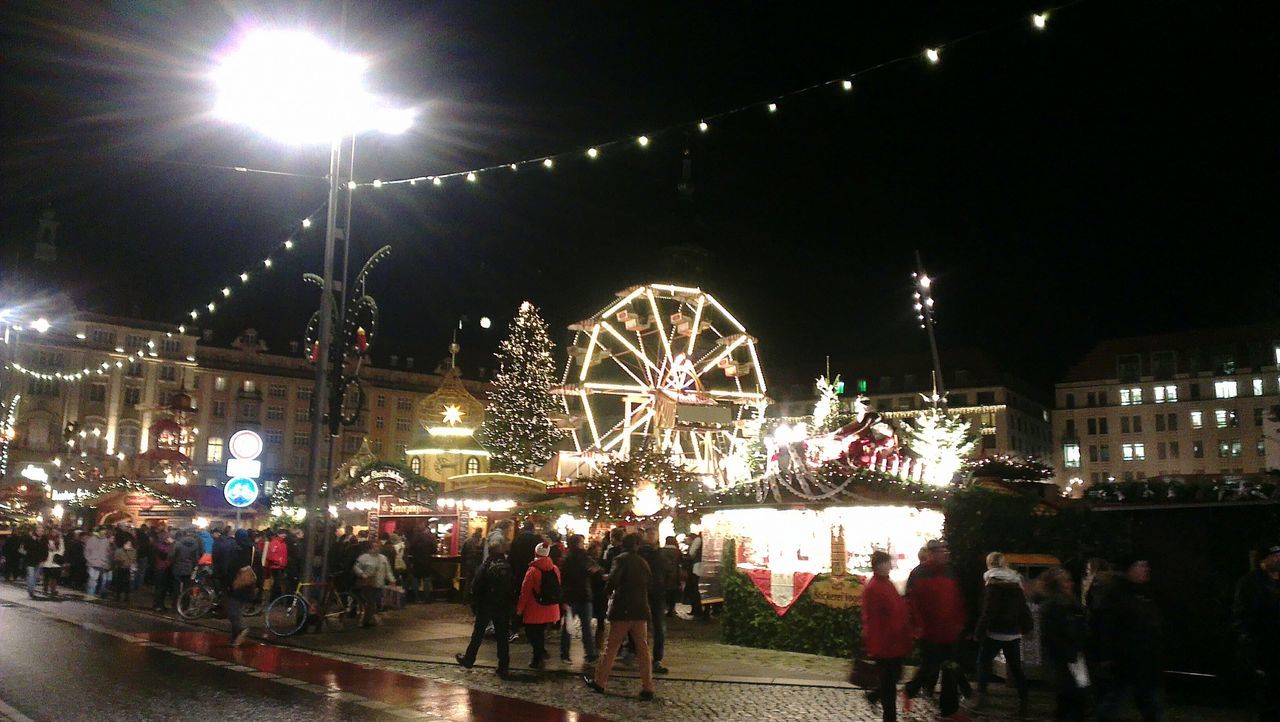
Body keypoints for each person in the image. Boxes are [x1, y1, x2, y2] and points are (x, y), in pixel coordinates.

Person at [1090, 556, 1165, 722]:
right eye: (1141, 565)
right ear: (1129, 569)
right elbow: (1105, 626)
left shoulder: (1145, 593)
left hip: (1146, 661)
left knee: (1151, 704)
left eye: (1146, 565)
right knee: (1116, 703)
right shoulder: (1117, 594)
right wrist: (1107, 655)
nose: (1145, 569)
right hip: (1128, 661)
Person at [584, 533, 656, 700]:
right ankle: (648, 687)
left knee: (611, 647)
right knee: (643, 649)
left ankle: (600, 682)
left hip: (623, 609)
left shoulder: (621, 559)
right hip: (640, 610)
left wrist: (607, 591)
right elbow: (650, 584)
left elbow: (614, 580)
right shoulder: (643, 562)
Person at [903, 539, 968, 717]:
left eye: (946, 550)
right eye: (941, 551)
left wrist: (960, 621)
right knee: (929, 667)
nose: (945, 553)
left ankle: (949, 708)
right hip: (930, 631)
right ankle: (910, 690)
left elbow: (957, 599)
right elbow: (911, 601)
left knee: (950, 669)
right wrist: (918, 625)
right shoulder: (919, 573)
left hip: (949, 630)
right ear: (932, 553)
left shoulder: (950, 572)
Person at [972, 552, 1033, 716]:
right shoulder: (1016, 583)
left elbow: (988, 611)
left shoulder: (992, 584)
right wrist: (1027, 627)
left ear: (990, 564)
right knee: (1016, 668)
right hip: (1013, 633)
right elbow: (1023, 608)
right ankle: (1023, 700)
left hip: (995, 632)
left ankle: (981, 697)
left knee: (983, 663)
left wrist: (979, 631)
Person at [862, 550, 912, 722]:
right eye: (887, 563)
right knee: (889, 683)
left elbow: (896, 608)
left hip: (894, 640)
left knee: (894, 677)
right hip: (885, 642)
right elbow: (874, 618)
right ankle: (889, 718)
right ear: (878, 565)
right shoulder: (874, 587)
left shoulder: (885, 583)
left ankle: (875, 697)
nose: (890, 565)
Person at [1233, 543, 1280, 722]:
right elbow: (1243, 619)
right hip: (1266, 652)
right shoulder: (1250, 583)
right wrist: (1254, 654)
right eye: (1274, 555)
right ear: (1263, 560)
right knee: (1268, 702)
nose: (1278, 558)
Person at [457, 540, 516, 678]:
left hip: (486, 605)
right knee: (502, 636)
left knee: (478, 633)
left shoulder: (486, 565)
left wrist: (475, 602)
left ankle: (469, 659)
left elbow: (476, 586)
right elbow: (513, 586)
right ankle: (503, 665)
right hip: (502, 606)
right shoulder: (507, 566)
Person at [1039, 567, 1089, 722]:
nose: (1070, 584)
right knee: (1069, 698)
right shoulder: (1052, 607)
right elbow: (1052, 637)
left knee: (1075, 698)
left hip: (1076, 657)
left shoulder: (1072, 603)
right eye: (1065, 581)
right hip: (1064, 660)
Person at [517, 542, 562, 669]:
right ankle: (538, 657)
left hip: (535, 608)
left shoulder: (532, 570)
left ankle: (540, 653)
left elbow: (524, 592)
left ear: (535, 553)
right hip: (550, 607)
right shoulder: (555, 569)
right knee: (540, 633)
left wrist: (520, 609)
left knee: (531, 633)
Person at [636, 526, 674, 673]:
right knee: (640, 626)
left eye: (653, 534)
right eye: (649, 534)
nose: (651, 536)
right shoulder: (641, 553)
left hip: (657, 593)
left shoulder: (660, 554)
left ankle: (656, 658)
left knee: (659, 627)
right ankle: (640, 655)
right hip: (642, 593)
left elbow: (668, 571)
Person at [558, 533, 599, 664]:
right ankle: (590, 653)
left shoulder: (566, 558)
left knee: (568, 627)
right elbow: (594, 570)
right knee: (586, 626)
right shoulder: (584, 557)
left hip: (570, 596)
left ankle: (565, 653)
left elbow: (563, 578)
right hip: (583, 595)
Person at [353, 540, 393, 628]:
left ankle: (369, 618)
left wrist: (392, 580)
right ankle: (366, 621)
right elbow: (356, 567)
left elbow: (388, 570)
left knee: (375, 602)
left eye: (378, 546)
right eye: (374, 546)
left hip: (378, 583)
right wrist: (363, 575)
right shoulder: (364, 557)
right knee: (371, 602)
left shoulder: (383, 558)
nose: (376, 548)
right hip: (368, 583)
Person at [586, 539, 609, 654]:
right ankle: (592, 645)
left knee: (600, 619)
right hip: (593, 591)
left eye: (599, 550)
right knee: (591, 618)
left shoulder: (601, 561)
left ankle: (597, 644)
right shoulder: (588, 561)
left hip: (600, 592)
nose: (598, 552)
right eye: (596, 550)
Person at [406, 528, 437, 603]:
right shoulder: (429, 540)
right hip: (426, 562)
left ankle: (416, 597)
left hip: (416, 562)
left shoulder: (414, 540)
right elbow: (434, 550)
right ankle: (427, 597)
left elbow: (409, 551)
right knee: (426, 579)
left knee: (416, 579)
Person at [683, 529, 706, 620]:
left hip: (697, 567)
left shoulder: (698, 540)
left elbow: (692, 553)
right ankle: (704, 611)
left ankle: (697, 609)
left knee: (695, 589)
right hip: (707, 567)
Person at [84, 527, 113, 598]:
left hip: (101, 563)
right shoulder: (92, 539)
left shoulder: (106, 541)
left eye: (104, 532)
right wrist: (89, 559)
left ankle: (92, 594)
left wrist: (105, 561)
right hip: (92, 562)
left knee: (97, 579)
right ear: (99, 531)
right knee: (92, 579)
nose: (103, 533)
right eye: (102, 531)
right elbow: (87, 551)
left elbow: (107, 552)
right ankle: (90, 594)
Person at [151, 531, 174, 611]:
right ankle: (157, 605)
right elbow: (165, 555)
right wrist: (172, 545)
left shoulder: (167, 545)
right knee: (159, 587)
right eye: (168, 538)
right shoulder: (159, 546)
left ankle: (161, 604)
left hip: (166, 568)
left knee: (164, 588)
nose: (169, 539)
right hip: (160, 568)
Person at [40, 528, 66, 598]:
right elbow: (43, 548)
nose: (54, 533)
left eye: (56, 532)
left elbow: (62, 550)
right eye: (53, 532)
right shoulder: (47, 539)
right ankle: (45, 589)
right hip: (47, 560)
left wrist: (55, 552)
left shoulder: (60, 540)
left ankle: (53, 589)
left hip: (55, 561)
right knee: (46, 577)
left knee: (54, 577)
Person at [264, 529, 289, 601]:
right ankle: (273, 599)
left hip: (282, 566)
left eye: (285, 534)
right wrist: (277, 560)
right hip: (275, 566)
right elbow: (270, 555)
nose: (284, 535)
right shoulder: (274, 543)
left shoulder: (284, 543)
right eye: (282, 534)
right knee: (276, 582)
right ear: (278, 534)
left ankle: (277, 598)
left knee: (278, 583)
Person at [661, 536, 682, 618]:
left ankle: (663, 608)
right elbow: (681, 562)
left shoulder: (662, 551)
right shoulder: (677, 552)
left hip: (663, 574)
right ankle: (671, 609)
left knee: (664, 592)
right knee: (673, 592)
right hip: (674, 574)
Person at [460, 527, 485, 593]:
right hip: (477, 563)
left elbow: (463, 553)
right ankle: (473, 598)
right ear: (480, 532)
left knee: (468, 581)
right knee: (476, 581)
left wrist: (463, 563)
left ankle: (465, 599)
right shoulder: (482, 541)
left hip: (468, 562)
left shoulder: (468, 540)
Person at [111, 536, 136, 603]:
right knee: (119, 582)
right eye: (127, 544)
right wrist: (120, 562)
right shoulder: (119, 551)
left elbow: (134, 559)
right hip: (121, 568)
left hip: (128, 568)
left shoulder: (133, 551)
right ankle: (118, 595)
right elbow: (115, 559)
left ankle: (126, 596)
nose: (128, 545)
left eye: (130, 544)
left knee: (127, 583)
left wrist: (132, 564)